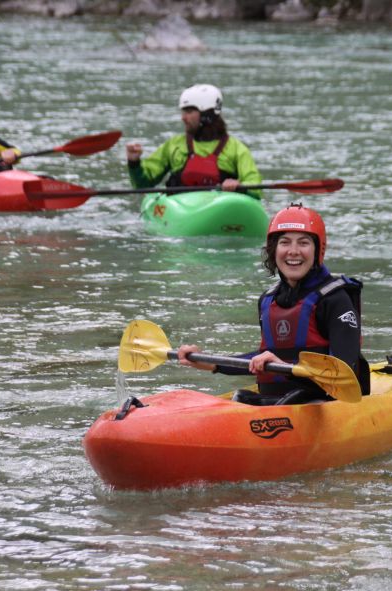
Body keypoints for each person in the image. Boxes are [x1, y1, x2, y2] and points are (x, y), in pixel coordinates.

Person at [177, 205, 370, 405]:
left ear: (317, 249)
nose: (293, 252)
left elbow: (343, 372)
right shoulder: (268, 300)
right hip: (278, 402)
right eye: (285, 242)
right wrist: (208, 362)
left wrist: (283, 365)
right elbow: (261, 359)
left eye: (303, 243)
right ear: (274, 249)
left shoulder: (335, 300)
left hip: (323, 402)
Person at [125, 84, 263, 199]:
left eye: (189, 111)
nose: (183, 118)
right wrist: (134, 163)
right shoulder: (174, 145)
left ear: (207, 115)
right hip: (179, 210)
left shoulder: (236, 149)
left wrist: (239, 186)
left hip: (221, 209)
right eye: (183, 112)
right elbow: (142, 185)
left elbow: (256, 189)